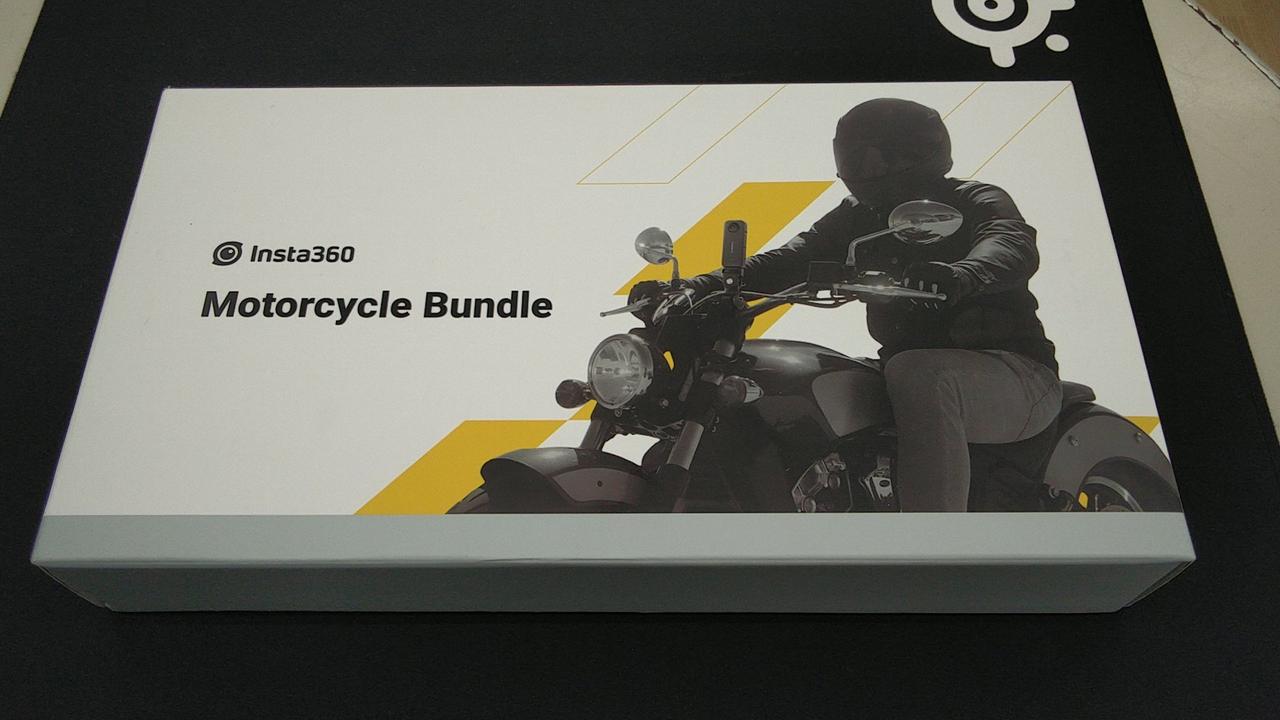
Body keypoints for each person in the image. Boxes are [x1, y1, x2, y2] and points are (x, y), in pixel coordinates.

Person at [684, 98, 1062, 511]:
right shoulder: (857, 216)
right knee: (795, 374)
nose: (863, 171)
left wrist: (964, 273)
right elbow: (792, 259)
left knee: (920, 373)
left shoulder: (972, 199)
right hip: (898, 368)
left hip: (1017, 375)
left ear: (916, 152)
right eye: (852, 158)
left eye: (875, 158)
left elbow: (1008, 241)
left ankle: (936, 537)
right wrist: (698, 287)